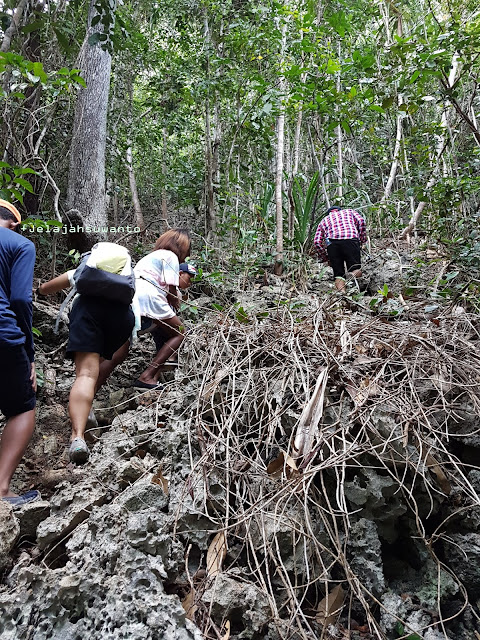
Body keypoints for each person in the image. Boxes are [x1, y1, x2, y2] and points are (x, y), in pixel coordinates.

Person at [38, 246, 135, 465]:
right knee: (96, 364)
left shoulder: (87, 270)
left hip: (88, 311)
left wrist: (39, 290)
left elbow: (49, 287)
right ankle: (87, 408)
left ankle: (78, 436)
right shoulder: (125, 274)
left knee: (85, 374)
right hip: (122, 317)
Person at [0, 199, 40, 505]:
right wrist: (29, 354)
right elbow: (21, 301)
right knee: (23, 407)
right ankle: (1, 489)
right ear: (14, 223)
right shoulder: (20, 244)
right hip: (3, 332)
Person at [314, 205, 367, 291]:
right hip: (350, 239)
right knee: (355, 267)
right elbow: (361, 221)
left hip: (332, 244)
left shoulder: (324, 220)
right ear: (339, 210)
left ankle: (342, 294)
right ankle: (355, 286)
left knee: (338, 274)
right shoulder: (349, 212)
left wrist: (326, 258)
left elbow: (317, 242)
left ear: (329, 213)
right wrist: (362, 239)